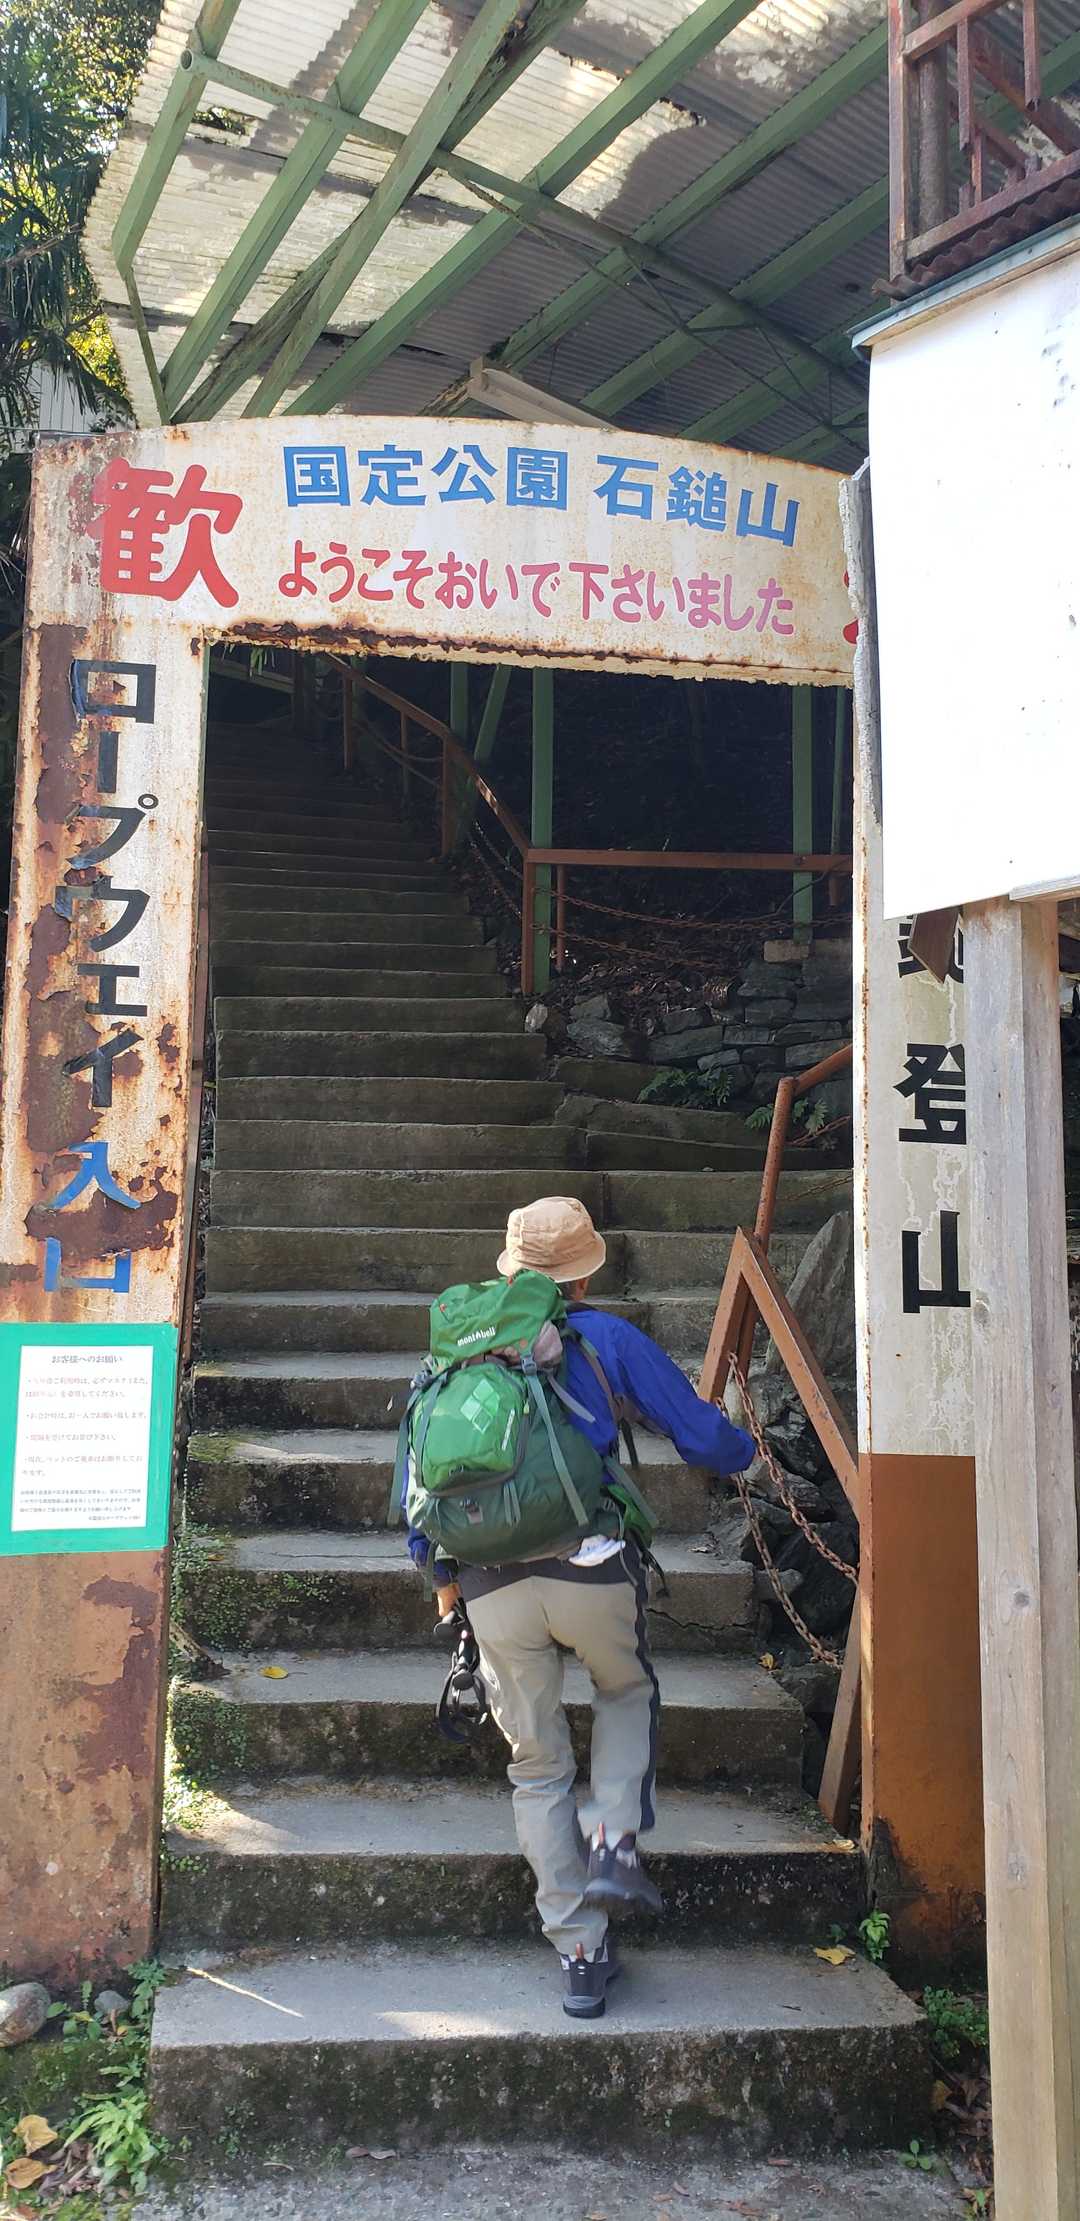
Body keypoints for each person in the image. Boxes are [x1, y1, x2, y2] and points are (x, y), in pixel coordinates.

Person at [407, 1195, 754, 2019]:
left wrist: (440, 1574)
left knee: (536, 1766)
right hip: (591, 1567)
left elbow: (417, 1475)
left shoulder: (458, 1351)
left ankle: (579, 1950)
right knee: (625, 1689)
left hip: (490, 1583)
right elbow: (702, 1437)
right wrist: (747, 1448)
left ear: (510, 1269)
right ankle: (614, 1836)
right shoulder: (606, 1337)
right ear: (586, 1272)